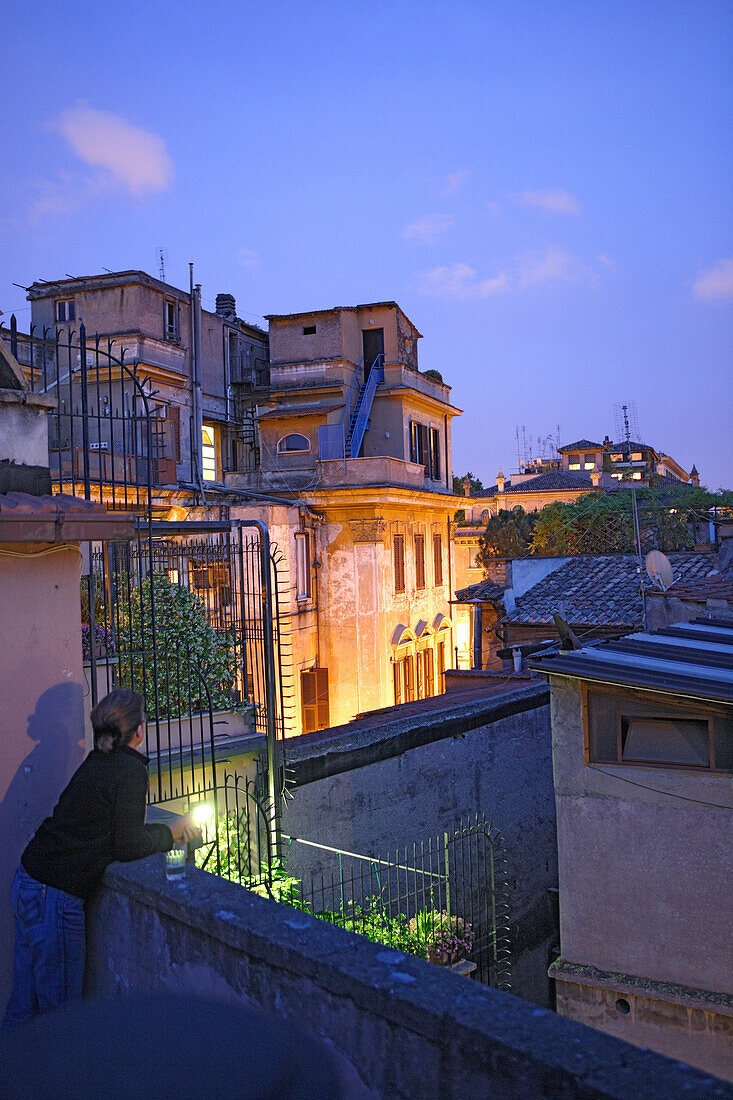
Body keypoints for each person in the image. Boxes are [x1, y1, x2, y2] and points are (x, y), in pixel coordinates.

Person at [3, 688, 200, 1028]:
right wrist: (171, 832)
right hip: (54, 893)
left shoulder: (97, 761)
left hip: (29, 878)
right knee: (60, 1018)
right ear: (139, 730)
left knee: (24, 1007)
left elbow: (107, 828)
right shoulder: (129, 770)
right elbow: (127, 845)